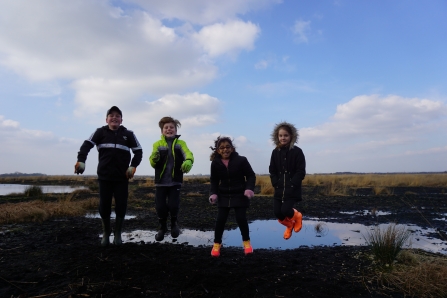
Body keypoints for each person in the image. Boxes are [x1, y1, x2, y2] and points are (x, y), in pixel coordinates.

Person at [75, 106, 143, 246]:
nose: (114, 117)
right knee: (104, 205)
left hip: (122, 178)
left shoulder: (128, 134)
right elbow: (86, 145)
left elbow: (139, 151)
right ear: (106, 119)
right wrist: (81, 160)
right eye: (111, 115)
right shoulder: (100, 132)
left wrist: (133, 165)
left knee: (121, 205)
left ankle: (117, 234)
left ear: (121, 120)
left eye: (117, 116)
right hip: (104, 176)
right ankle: (106, 233)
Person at [209, 136, 256, 257]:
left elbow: (251, 175)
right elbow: (214, 180)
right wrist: (213, 193)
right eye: (222, 148)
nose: (225, 150)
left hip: (240, 194)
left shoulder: (241, 160)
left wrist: (249, 189)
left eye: (228, 147)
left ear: (232, 148)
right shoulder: (215, 163)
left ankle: (247, 243)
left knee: (241, 219)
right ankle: (216, 244)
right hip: (223, 194)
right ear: (218, 150)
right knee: (220, 220)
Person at [149, 116, 194, 241]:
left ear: (176, 130)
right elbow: (153, 162)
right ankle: (162, 228)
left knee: (174, 205)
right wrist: (154, 158)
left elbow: (188, 154)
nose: (169, 129)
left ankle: (174, 223)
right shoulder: (157, 144)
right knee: (160, 207)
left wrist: (189, 161)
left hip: (175, 181)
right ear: (162, 130)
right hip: (161, 182)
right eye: (166, 127)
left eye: (172, 127)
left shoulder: (181, 144)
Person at [269, 121, 306, 240]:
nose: (283, 138)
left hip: (292, 189)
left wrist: (293, 183)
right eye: (280, 135)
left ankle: (297, 216)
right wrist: (275, 182)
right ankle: (289, 225)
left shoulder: (297, 151)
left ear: (291, 136)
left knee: (285, 210)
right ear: (277, 137)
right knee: (278, 213)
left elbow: (301, 171)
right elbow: (272, 170)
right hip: (279, 188)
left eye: (285, 135)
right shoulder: (275, 152)